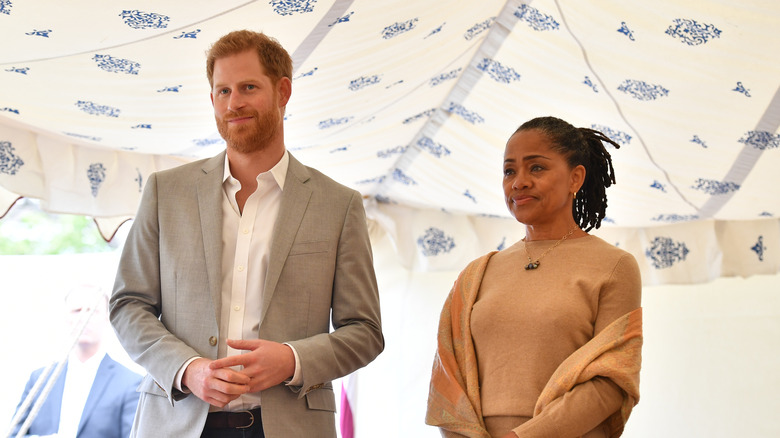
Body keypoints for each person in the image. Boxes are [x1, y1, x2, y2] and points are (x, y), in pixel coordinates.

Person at [109, 30, 383, 438]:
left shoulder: (338, 205)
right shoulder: (165, 192)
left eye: (248, 87)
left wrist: (292, 359)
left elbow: (365, 331)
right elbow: (128, 305)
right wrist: (188, 369)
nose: (233, 103)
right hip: (178, 421)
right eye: (222, 91)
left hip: (292, 426)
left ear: (283, 91)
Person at [426, 116, 643, 437]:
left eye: (536, 168)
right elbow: (449, 380)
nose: (519, 181)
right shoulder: (476, 274)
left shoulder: (614, 266)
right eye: (509, 170)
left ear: (575, 178)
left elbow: (612, 379)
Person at [11, 284, 141, 438]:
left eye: (92, 312)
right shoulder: (39, 379)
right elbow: (14, 434)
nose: (83, 318)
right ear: (66, 317)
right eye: (77, 311)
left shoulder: (130, 384)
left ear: (107, 318)